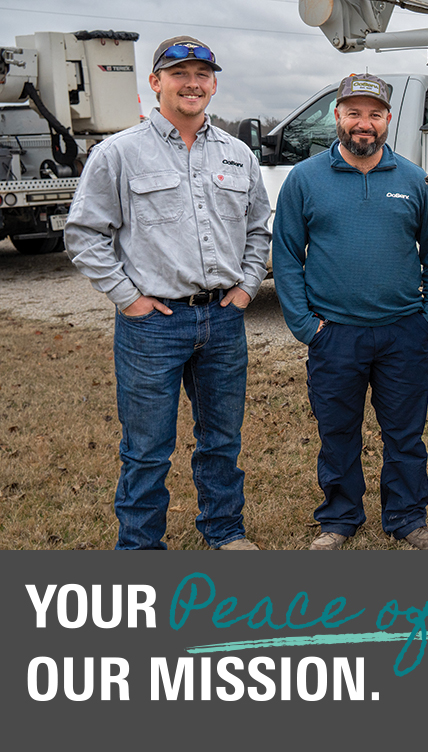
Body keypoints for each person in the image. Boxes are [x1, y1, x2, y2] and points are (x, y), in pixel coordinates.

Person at [64, 36, 270, 550]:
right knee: (147, 448)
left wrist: (246, 287)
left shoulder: (238, 155)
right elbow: (84, 233)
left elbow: (259, 228)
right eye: (179, 74)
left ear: (214, 84)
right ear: (156, 83)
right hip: (152, 325)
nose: (192, 83)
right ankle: (139, 548)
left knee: (221, 441)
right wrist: (127, 297)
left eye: (202, 74)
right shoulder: (119, 153)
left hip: (222, 320)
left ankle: (224, 532)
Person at [272, 73, 428, 550]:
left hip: (402, 336)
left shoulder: (414, 180)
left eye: (374, 113)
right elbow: (286, 257)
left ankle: (408, 517)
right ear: (338, 116)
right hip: (335, 337)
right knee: (338, 433)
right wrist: (307, 327)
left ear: (388, 119)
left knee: (405, 435)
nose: (363, 123)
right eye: (353, 112)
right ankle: (339, 518)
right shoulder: (304, 179)